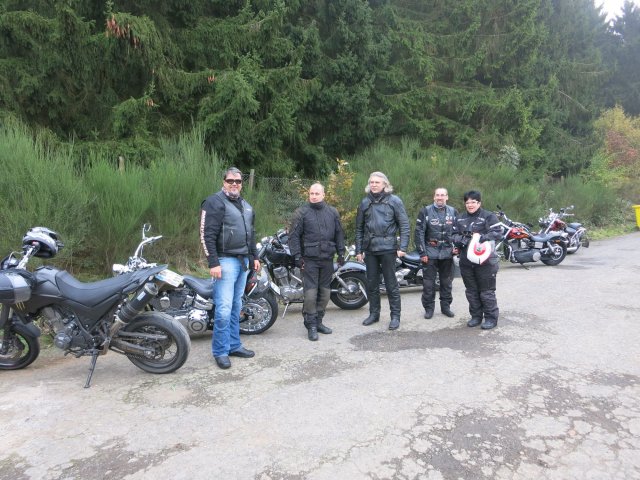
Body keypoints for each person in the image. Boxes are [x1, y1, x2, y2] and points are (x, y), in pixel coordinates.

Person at [200, 167, 261, 369]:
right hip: (225, 261)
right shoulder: (214, 202)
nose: (234, 184)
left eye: (238, 181)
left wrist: (255, 257)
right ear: (224, 181)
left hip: (243, 262)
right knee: (224, 309)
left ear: (242, 184)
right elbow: (206, 234)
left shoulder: (245, 205)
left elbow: (251, 233)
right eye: (230, 180)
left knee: (236, 307)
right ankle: (220, 351)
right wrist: (213, 262)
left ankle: (234, 345)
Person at [289, 183, 345, 341]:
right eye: (311, 193)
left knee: (325, 294)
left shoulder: (332, 212)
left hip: (327, 259)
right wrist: (297, 256)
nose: (313, 196)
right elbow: (293, 236)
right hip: (309, 260)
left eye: (316, 193)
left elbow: (339, 233)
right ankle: (311, 325)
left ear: (323, 195)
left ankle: (319, 321)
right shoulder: (301, 213)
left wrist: (341, 252)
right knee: (311, 295)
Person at [355, 172, 410, 330]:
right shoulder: (365, 202)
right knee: (371, 283)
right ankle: (374, 314)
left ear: (385, 184)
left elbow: (404, 225)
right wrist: (359, 250)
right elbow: (359, 228)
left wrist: (403, 247)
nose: (373, 185)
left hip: (388, 248)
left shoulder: (394, 201)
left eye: (377, 182)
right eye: (371, 182)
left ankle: (395, 316)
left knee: (391, 284)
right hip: (370, 248)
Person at [452, 190, 502, 330]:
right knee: (471, 291)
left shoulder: (489, 216)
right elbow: (453, 235)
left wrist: (481, 237)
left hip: (485, 261)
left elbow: (498, 233)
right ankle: (476, 316)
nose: (470, 205)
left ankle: (491, 318)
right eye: (467, 202)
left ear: (479, 203)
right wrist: (464, 239)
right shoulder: (460, 218)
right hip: (466, 261)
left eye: (473, 202)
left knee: (486, 291)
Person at [414, 187, 458, 319]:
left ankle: (446, 307)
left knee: (446, 282)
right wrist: (422, 253)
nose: (440, 197)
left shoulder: (453, 211)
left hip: (447, 253)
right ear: (434, 197)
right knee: (428, 284)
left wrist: (456, 247)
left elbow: (457, 232)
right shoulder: (425, 211)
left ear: (447, 197)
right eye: (437, 195)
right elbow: (419, 233)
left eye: (442, 195)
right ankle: (429, 309)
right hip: (430, 253)